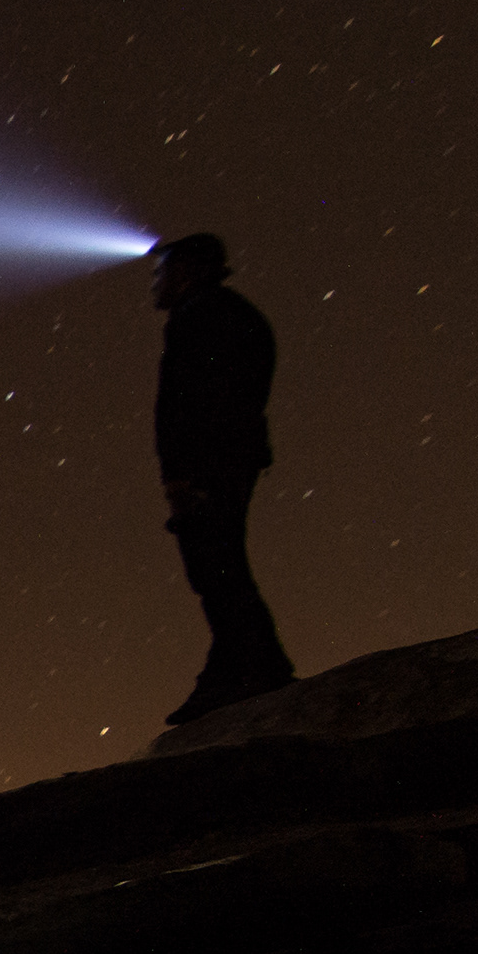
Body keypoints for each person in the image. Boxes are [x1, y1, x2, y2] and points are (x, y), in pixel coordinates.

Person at [149, 232, 294, 724]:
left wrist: (184, 475)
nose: (155, 283)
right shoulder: (237, 315)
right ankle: (238, 669)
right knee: (220, 564)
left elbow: (191, 400)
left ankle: (254, 670)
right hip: (232, 457)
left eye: (162, 271)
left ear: (186, 271)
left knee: (216, 567)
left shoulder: (199, 318)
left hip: (210, 464)